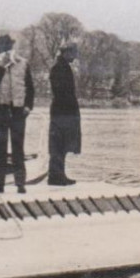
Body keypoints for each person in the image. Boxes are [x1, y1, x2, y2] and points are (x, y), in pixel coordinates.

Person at [0, 33, 34, 193]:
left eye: (8, 47)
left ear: (12, 47)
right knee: (0, 148)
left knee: (18, 146)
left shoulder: (23, 63)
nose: (6, 50)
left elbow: (30, 87)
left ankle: (20, 183)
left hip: (18, 110)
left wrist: (28, 106)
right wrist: (1, 66)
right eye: (2, 48)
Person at [46, 42, 81, 185]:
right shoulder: (58, 68)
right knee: (58, 144)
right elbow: (60, 92)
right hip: (62, 111)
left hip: (64, 111)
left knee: (63, 144)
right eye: (73, 53)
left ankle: (59, 174)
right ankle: (55, 176)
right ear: (66, 53)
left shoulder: (63, 67)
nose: (74, 56)